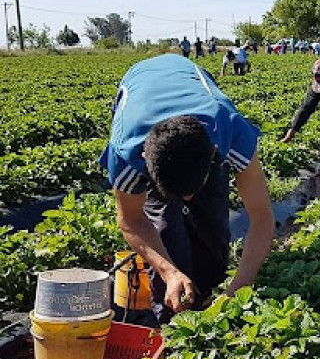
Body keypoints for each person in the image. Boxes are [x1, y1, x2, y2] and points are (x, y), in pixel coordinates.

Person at [98, 54, 274, 325]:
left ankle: (210, 292)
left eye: (194, 188)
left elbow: (262, 216)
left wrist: (238, 289)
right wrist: (169, 271)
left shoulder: (230, 131)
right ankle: (171, 316)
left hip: (191, 86)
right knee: (165, 228)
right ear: (146, 163)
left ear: (214, 154)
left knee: (212, 224)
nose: (188, 199)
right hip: (139, 89)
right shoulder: (125, 153)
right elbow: (131, 219)